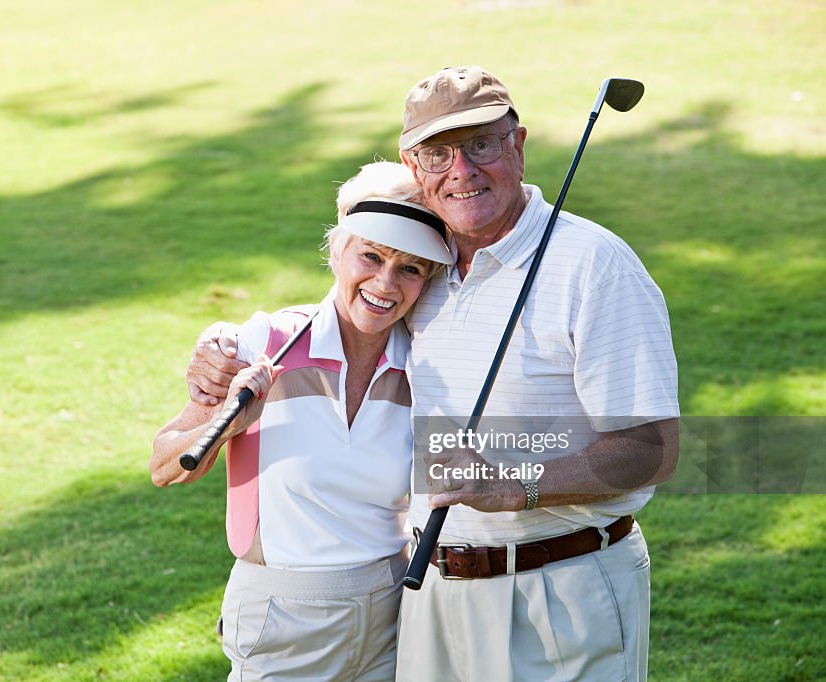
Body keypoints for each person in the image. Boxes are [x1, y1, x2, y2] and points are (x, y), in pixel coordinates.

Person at [186, 66, 680, 682]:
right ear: (412, 166)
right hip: (433, 595)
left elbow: (652, 449)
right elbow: (356, 294)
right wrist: (227, 340)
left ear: (518, 145)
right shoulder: (426, 263)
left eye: (482, 145)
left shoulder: (595, 266)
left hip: (561, 590)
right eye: (438, 153)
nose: (462, 172)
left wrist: (514, 485)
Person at [150, 161, 453, 681]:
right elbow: (166, 464)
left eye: (410, 268)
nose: (384, 283)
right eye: (371, 256)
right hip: (282, 618)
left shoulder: (425, 366)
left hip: (393, 613)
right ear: (337, 250)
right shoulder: (262, 343)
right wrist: (228, 424)